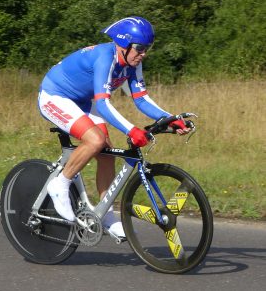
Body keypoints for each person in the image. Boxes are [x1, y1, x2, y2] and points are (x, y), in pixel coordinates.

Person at [38, 16, 190, 238]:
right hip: (55, 96)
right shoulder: (105, 58)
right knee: (95, 140)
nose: (144, 53)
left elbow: (141, 99)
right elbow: (103, 103)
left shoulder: (131, 63)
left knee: (106, 154)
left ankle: (105, 213)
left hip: (82, 100)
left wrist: (170, 118)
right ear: (123, 44)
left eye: (147, 48)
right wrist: (131, 130)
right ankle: (60, 184)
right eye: (140, 48)